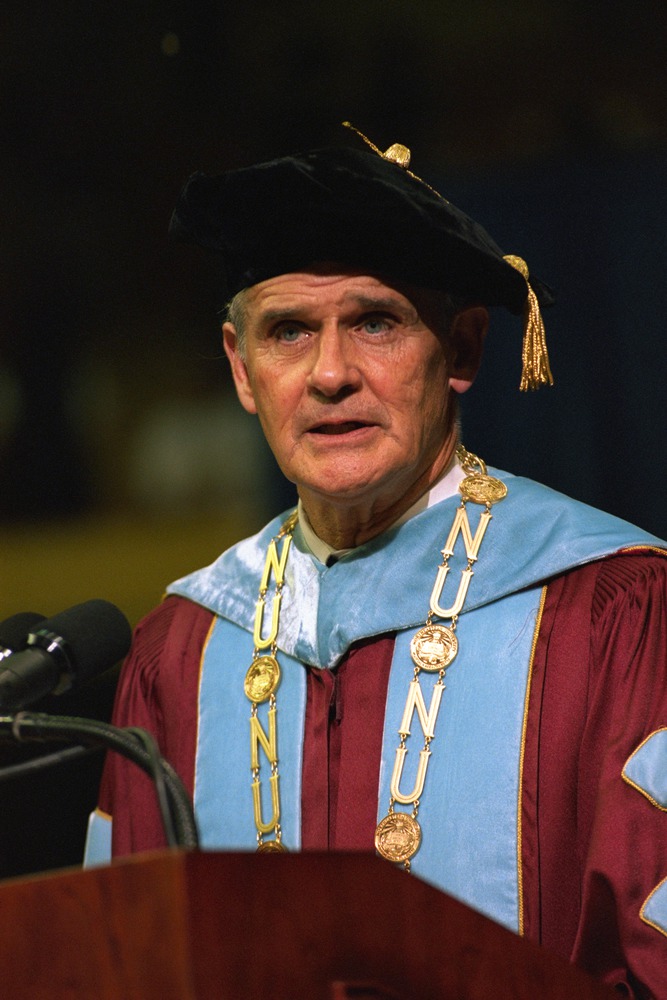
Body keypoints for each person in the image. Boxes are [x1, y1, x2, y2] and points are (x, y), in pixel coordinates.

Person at [85, 126, 667, 996]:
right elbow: (118, 964)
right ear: (242, 372)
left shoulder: (606, 611)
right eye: (287, 332)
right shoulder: (182, 649)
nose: (329, 375)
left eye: (374, 322)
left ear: (462, 348)